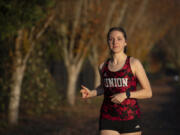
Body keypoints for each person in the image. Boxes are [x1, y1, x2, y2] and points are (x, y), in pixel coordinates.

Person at [80, 27, 152, 135]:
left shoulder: (133, 63)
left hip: (130, 118)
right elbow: (104, 88)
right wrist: (91, 93)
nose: (115, 42)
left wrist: (126, 94)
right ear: (108, 42)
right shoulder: (103, 66)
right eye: (111, 39)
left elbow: (148, 92)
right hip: (107, 117)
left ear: (125, 42)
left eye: (119, 39)